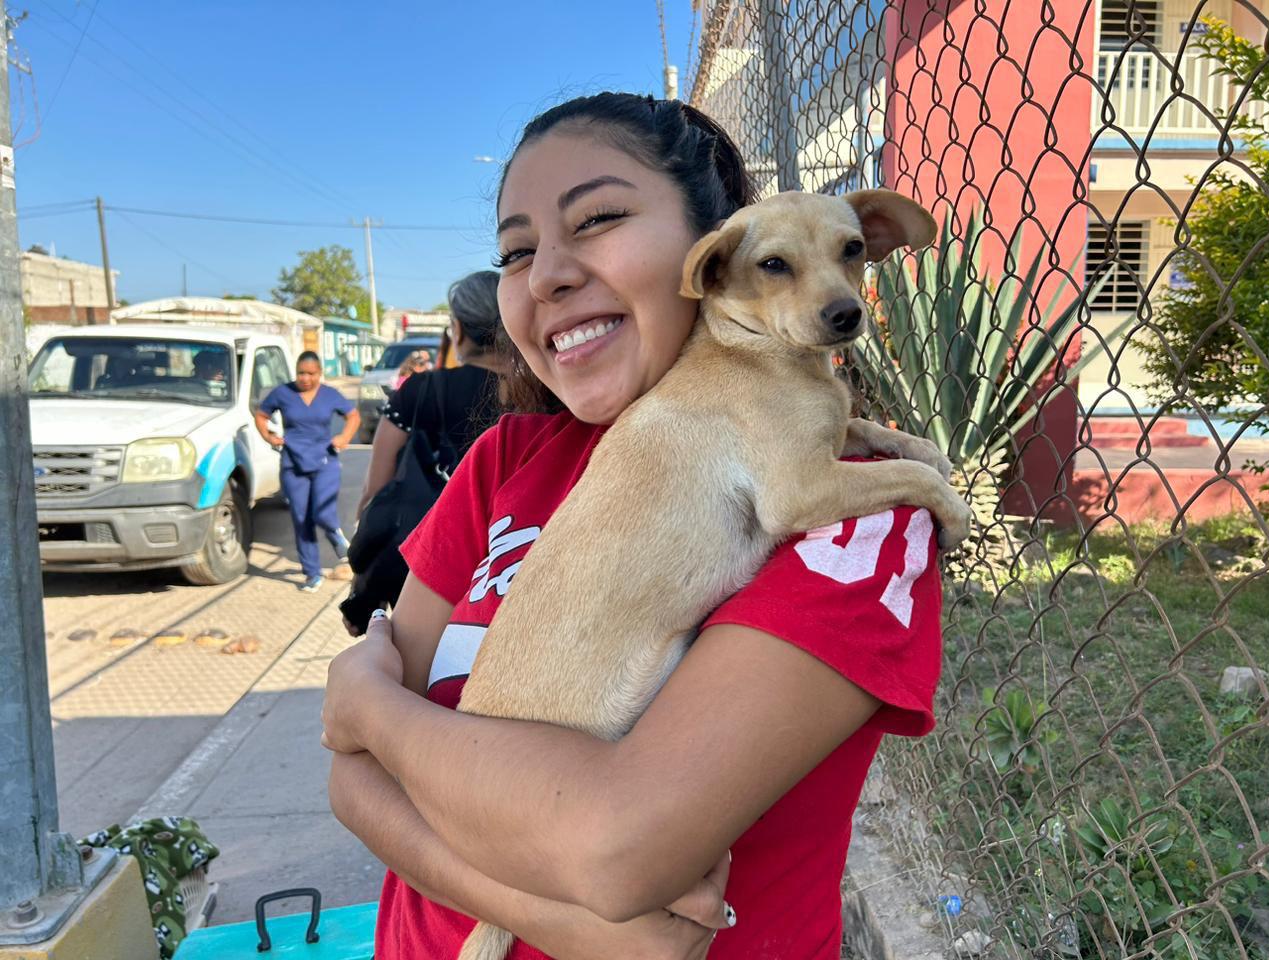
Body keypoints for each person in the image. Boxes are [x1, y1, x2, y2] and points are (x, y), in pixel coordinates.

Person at [323, 93, 946, 959]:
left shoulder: (866, 510)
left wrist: (371, 707)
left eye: (601, 218)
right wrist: (553, 916)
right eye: (515, 252)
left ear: (715, 251)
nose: (545, 276)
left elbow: (618, 850)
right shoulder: (503, 464)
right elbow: (352, 784)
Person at [340, 270, 506, 634]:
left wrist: (366, 575)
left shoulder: (421, 390)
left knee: (422, 681)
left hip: (426, 575)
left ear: (458, 330)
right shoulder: (545, 392)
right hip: (512, 572)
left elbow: (377, 489)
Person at [255, 351, 361, 592]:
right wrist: (269, 436)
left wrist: (344, 437)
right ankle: (312, 573)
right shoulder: (283, 393)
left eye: (311, 373)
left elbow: (353, 416)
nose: (305, 378)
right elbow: (261, 415)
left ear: (319, 373)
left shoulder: (330, 394)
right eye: (301, 373)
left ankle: (336, 537)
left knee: (321, 511)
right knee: (301, 518)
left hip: (325, 461)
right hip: (293, 462)